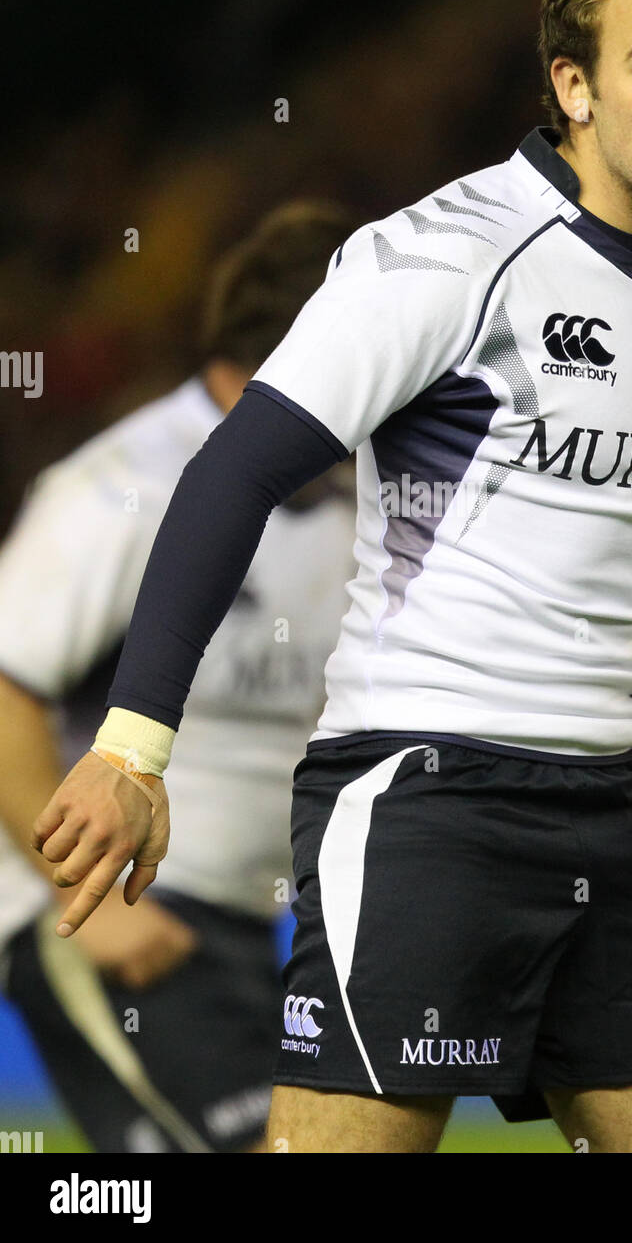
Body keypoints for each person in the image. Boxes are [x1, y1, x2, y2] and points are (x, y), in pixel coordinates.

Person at [33, 0, 632, 1154]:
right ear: (572, 86)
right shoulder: (439, 257)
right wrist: (131, 747)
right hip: (429, 799)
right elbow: (231, 474)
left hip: (623, 824)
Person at [0, 201, 356, 1152]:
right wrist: (73, 897)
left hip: (253, 927)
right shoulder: (124, 485)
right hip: (116, 917)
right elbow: (4, 687)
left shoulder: (351, 491)